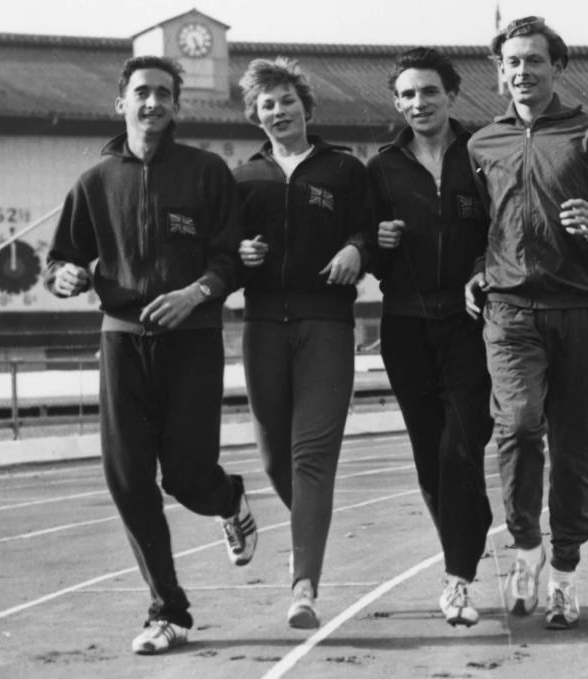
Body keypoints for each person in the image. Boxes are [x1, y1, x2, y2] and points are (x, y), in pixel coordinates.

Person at [44, 56, 257, 655]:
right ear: (122, 102)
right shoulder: (94, 181)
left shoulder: (207, 172)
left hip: (192, 340)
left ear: (176, 106)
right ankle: (169, 610)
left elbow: (232, 258)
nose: (153, 102)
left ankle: (227, 498)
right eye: (142, 92)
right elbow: (61, 257)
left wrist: (195, 294)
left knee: (187, 476)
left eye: (164, 93)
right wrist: (64, 276)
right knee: (127, 479)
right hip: (120, 339)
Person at [465, 16, 588, 629]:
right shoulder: (482, 143)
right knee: (515, 426)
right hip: (510, 311)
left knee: (573, 447)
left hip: (580, 310)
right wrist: (477, 270)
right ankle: (525, 548)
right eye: (510, 62)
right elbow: (479, 228)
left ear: (555, 66)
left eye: (532, 61)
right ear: (500, 70)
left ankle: (564, 572)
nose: (520, 71)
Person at [233, 57, 371, 630]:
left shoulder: (343, 169)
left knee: (311, 457)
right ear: (255, 115)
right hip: (262, 325)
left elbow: (373, 226)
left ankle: (304, 586)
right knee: (273, 459)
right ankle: (308, 532)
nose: (279, 111)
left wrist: (358, 250)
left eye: (287, 100)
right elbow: (222, 246)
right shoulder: (242, 178)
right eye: (267, 104)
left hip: (327, 326)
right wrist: (240, 256)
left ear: (305, 107)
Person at [366, 48, 493, 627]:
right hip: (405, 326)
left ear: (452, 95)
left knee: (460, 448)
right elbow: (357, 242)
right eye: (409, 95)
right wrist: (375, 241)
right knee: (429, 460)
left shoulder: (484, 153)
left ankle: (457, 579)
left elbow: (506, 226)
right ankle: (466, 546)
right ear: (397, 102)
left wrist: (486, 266)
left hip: (471, 322)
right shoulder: (381, 168)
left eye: (430, 92)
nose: (419, 103)